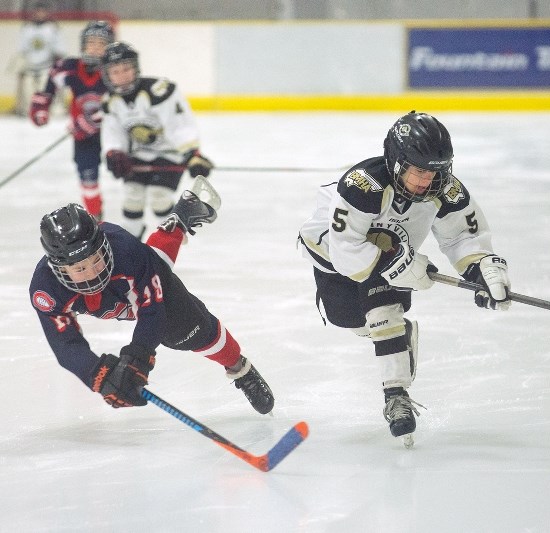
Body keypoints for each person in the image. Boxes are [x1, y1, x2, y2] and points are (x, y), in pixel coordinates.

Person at [297, 111, 511, 446]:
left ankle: (395, 396)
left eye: (437, 171)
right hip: (332, 256)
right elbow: (347, 252)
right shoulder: (362, 185)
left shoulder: (445, 190)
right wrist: (401, 265)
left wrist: (482, 269)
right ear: (397, 163)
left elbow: (462, 237)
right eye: (420, 171)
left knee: (384, 313)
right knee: (347, 317)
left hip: (383, 258)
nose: (428, 181)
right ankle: (398, 337)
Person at [30, 177, 274, 414]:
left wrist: (139, 357)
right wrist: (99, 376)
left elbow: (151, 310)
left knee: (188, 332)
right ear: (59, 268)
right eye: (80, 269)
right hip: (123, 287)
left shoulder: (125, 248)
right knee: (151, 262)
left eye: (96, 260)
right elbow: (65, 344)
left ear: (103, 244)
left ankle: (240, 368)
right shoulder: (46, 290)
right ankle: (181, 218)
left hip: (133, 283)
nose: (93, 274)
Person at [99, 41, 213, 239]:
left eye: (126, 69)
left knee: (159, 197)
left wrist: (191, 154)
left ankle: (172, 236)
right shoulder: (110, 101)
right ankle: (130, 240)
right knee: (132, 195)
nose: (122, 76)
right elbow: (112, 131)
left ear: (136, 68)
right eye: (115, 72)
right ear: (107, 75)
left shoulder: (159, 91)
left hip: (169, 155)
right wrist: (114, 151)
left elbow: (179, 124)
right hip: (138, 155)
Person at [29, 21, 115, 219]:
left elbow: (119, 103)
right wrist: (41, 106)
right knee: (87, 177)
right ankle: (96, 218)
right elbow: (49, 87)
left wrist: (93, 121)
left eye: (100, 43)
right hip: (83, 136)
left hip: (113, 135)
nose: (94, 47)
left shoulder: (115, 70)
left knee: (129, 176)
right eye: (90, 42)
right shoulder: (70, 68)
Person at [12, 1, 65, 116]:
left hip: (47, 67)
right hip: (30, 67)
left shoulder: (53, 28)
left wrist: (57, 67)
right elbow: (22, 51)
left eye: (43, 11)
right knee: (27, 90)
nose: (40, 14)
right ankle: (25, 111)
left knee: (47, 91)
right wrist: (20, 67)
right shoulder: (27, 28)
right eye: (38, 11)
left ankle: (49, 110)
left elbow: (59, 51)